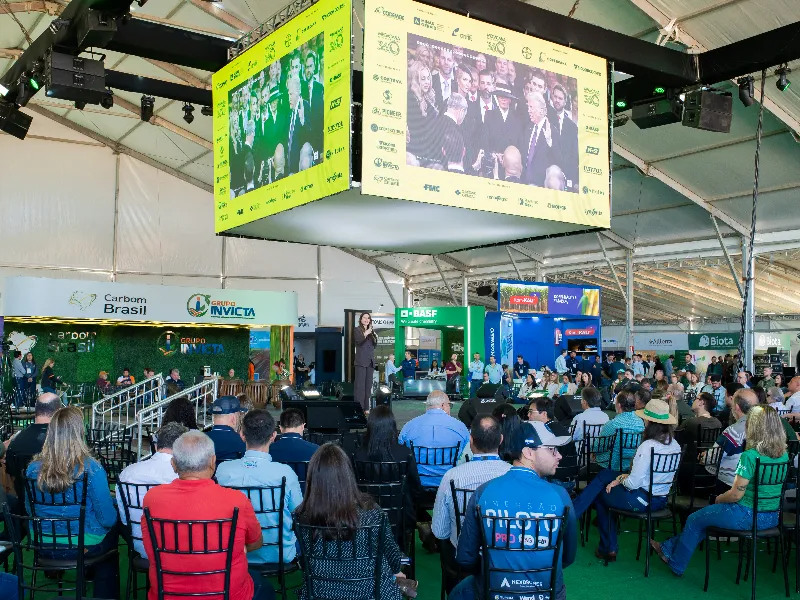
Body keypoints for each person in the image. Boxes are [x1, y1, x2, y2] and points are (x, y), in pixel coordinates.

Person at [652, 404, 789, 576]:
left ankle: (676, 564)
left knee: (695, 518)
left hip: (746, 515)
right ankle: (667, 548)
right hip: (772, 516)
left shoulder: (750, 456)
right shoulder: (783, 454)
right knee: (703, 520)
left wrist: (718, 500)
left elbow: (735, 495)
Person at [451, 420, 577, 600]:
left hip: (494, 591)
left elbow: (465, 558)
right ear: (528, 452)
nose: (559, 456)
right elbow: (568, 557)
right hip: (547, 593)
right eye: (552, 449)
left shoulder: (484, 492)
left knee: (458, 592)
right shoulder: (560, 495)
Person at [142, 431, 274, 600]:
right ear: (213, 462)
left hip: (166, 595)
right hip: (229, 595)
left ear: (173, 464)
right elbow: (256, 542)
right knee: (265, 587)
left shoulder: (152, 499)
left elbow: (150, 547)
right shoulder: (236, 500)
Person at [294, 443, 413, 599]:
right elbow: (392, 554)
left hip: (320, 593)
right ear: (348, 475)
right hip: (371, 593)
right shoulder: (372, 512)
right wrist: (396, 571)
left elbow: (304, 562)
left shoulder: (301, 515)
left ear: (313, 479)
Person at [25, 406, 119, 599]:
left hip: (41, 543)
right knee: (112, 539)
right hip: (81, 546)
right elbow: (107, 520)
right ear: (80, 432)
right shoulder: (92, 468)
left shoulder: (33, 469)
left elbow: (29, 509)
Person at [573, 399, 680, 561]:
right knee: (605, 477)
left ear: (650, 422)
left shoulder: (648, 446)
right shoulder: (675, 445)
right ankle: (600, 540)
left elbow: (633, 483)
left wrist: (621, 479)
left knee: (601, 493)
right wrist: (621, 478)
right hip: (661, 499)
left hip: (642, 499)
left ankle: (606, 545)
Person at [433, 415, 510, 594]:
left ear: (471, 440)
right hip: (505, 556)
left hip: (462, 558)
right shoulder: (513, 475)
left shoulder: (452, 476)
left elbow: (439, 530)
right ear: (501, 439)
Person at [216, 409, 303, 565]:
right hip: (280, 553)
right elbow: (299, 512)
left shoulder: (223, 470)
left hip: (234, 551)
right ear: (273, 436)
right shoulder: (285, 473)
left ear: (242, 435)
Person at [117, 422, 187, 558]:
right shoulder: (183, 476)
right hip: (175, 549)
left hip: (138, 543)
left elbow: (125, 520)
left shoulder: (127, 473)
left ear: (156, 445)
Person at [353, 405, 423, 536]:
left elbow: (354, 487)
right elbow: (416, 488)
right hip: (400, 515)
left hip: (365, 514)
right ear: (392, 427)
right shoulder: (404, 453)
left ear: (370, 427)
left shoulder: (358, 455)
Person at [398, 390, 469, 489]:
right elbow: (468, 453)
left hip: (416, 486)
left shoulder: (409, 426)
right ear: (443, 405)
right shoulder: (460, 427)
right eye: (450, 405)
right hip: (450, 485)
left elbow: (400, 450)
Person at [5, 392, 59, 511]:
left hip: (25, 508)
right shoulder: (64, 442)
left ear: (37, 410)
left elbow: (10, 480)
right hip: (62, 507)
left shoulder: (16, 441)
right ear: (57, 411)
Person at [707, 388, 759, 494]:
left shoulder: (733, 431)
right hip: (756, 483)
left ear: (736, 407)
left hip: (730, 485)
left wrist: (703, 457)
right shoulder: (764, 428)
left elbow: (712, 459)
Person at [595, 390, 645, 471]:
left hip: (613, 467)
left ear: (618, 405)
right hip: (634, 466)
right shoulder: (640, 423)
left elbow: (598, 448)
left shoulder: (612, 424)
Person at [207, 395, 247, 462]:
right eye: (238, 416)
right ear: (233, 419)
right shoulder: (243, 442)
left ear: (213, 417)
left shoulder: (199, 440)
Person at [353, 312, 377, 412]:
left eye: (368, 318)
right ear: (361, 319)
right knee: (360, 387)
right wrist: (365, 333)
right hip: (361, 362)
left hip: (370, 362)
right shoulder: (357, 329)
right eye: (364, 318)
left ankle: (366, 408)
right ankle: (359, 409)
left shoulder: (371, 331)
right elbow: (359, 341)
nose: (366, 320)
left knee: (368, 387)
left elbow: (374, 345)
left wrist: (374, 336)